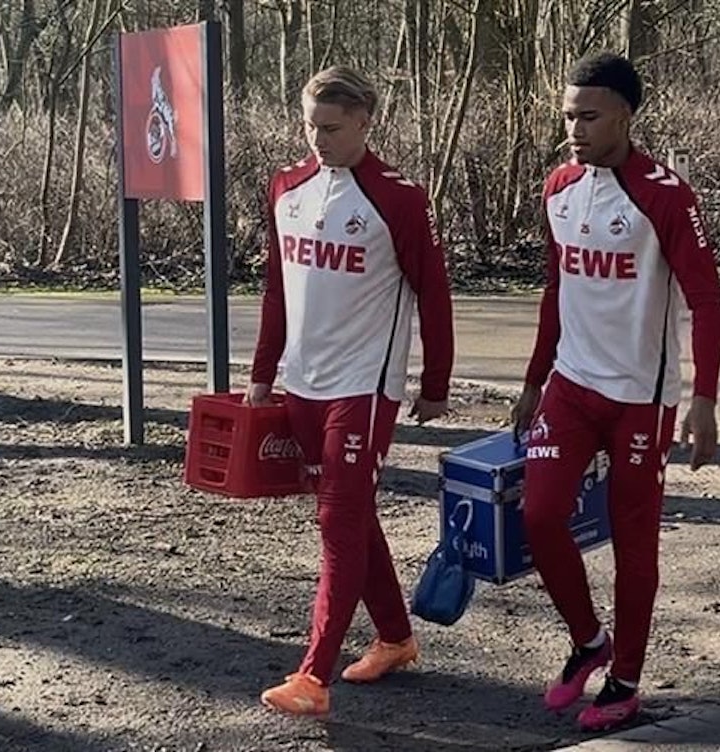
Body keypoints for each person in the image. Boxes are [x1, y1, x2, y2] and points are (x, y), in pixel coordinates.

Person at [511, 52, 720, 732]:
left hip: (641, 396)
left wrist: (703, 398)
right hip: (571, 388)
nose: (574, 128)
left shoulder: (665, 194)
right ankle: (587, 641)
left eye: (589, 115)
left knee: (635, 541)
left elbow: (708, 302)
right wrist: (532, 380)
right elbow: (556, 290)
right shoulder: (557, 186)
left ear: (625, 116)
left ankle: (625, 678)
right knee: (539, 515)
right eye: (567, 115)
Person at [247, 65, 454, 718]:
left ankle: (313, 676)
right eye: (309, 125)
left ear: (366, 122)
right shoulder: (286, 188)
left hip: (364, 387)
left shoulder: (398, 198)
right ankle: (394, 638)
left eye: (331, 128)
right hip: (302, 382)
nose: (318, 139)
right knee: (353, 515)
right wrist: (261, 373)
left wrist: (436, 381)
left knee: (337, 521)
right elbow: (278, 290)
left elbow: (434, 293)